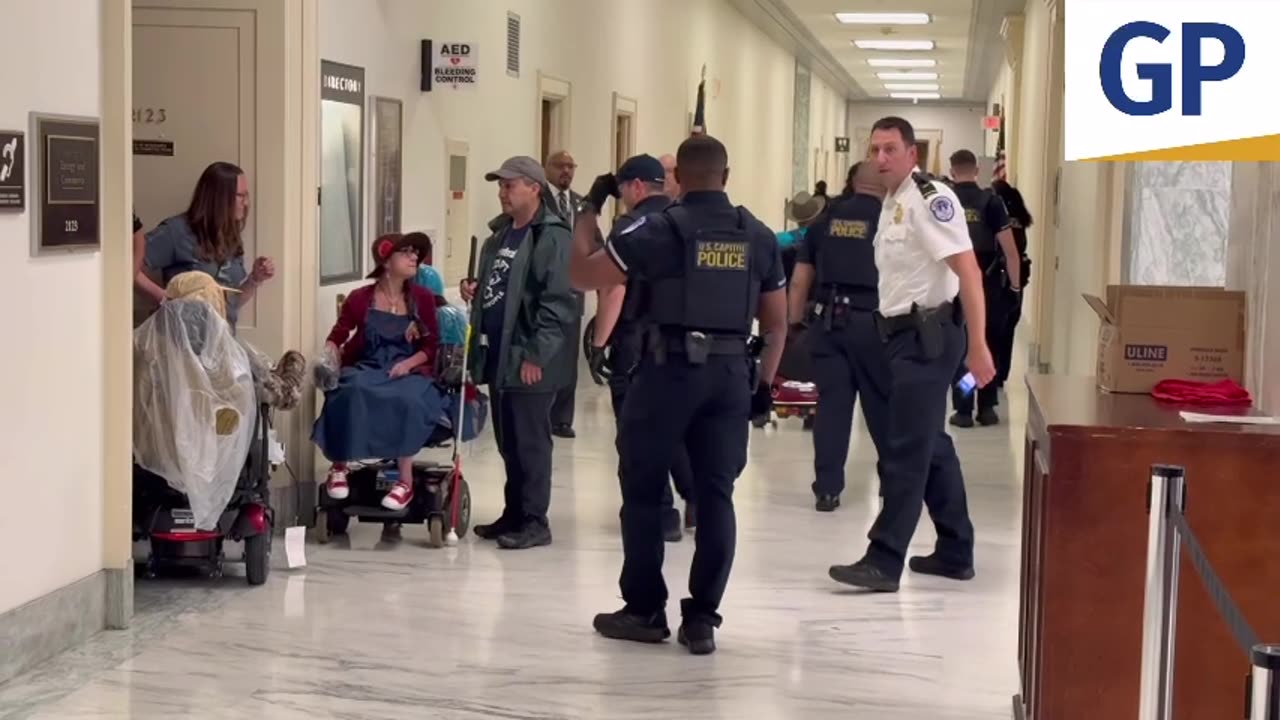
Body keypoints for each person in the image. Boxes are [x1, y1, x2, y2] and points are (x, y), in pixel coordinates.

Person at [569, 135, 788, 655]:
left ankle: (645, 610)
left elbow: (582, 273)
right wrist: (763, 388)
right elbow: (777, 326)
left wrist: (586, 208)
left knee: (643, 492)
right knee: (716, 497)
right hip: (731, 374)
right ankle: (703, 619)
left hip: (665, 373)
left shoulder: (657, 228)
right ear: (726, 176)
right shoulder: (756, 236)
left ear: (677, 181)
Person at [828, 116, 992, 593]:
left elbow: (970, 273)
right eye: (875, 149)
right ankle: (955, 550)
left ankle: (884, 559)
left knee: (905, 450)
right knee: (930, 444)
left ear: (912, 153)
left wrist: (979, 346)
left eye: (890, 150)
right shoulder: (893, 202)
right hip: (899, 337)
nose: (881, 158)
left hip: (929, 336)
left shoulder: (930, 199)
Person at [460, 156, 575, 550]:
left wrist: (536, 355)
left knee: (531, 441)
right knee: (509, 440)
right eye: (501, 185)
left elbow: (558, 302)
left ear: (534, 188)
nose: (502, 192)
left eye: (509, 185)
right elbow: (502, 285)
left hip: (528, 358)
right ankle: (514, 512)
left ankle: (534, 520)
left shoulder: (553, 237)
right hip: (500, 355)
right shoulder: (502, 234)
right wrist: (475, 291)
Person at [587, 154, 695, 541]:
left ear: (635, 187)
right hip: (678, 342)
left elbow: (613, 288)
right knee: (677, 428)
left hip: (636, 342)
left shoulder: (632, 228)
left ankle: (661, 513)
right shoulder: (685, 223)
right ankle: (694, 499)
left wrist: (599, 343)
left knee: (636, 433)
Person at [314, 232, 443, 512]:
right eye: (406, 252)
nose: (414, 258)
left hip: (410, 370)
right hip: (369, 366)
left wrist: (408, 365)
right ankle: (339, 465)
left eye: (415, 253)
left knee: (408, 398)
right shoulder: (361, 299)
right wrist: (327, 358)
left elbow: (432, 345)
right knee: (349, 389)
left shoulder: (422, 298)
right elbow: (337, 336)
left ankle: (405, 482)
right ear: (386, 261)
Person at [787, 161, 889, 512]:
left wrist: (794, 324)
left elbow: (800, 279)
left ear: (852, 184)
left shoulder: (823, 222)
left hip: (830, 324)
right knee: (881, 406)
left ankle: (827, 489)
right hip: (878, 326)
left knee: (832, 408)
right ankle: (891, 482)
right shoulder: (890, 221)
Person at [138, 161, 275, 332]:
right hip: (179, 347)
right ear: (219, 198)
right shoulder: (177, 232)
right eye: (240, 196)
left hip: (220, 347)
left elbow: (229, 304)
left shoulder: (231, 238)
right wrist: (164, 299)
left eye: (246, 196)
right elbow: (128, 265)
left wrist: (255, 279)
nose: (246, 203)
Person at [946, 150, 1022, 427]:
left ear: (952, 171)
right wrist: (1014, 288)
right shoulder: (991, 202)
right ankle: (987, 407)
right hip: (987, 285)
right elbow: (1011, 252)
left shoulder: (943, 201)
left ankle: (964, 409)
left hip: (951, 285)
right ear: (976, 171)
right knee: (988, 343)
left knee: (961, 348)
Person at [545, 150, 584, 439]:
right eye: (561, 166)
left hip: (574, 291)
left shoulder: (581, 205)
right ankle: (542, 413)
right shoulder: (539, 202)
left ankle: (562, 419)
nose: (567, 171)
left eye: (571, 166)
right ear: (548, 168)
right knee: (547, 352)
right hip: (546, 289)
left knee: (569, 357)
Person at [991, 178, 1033, 388]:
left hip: (1000, 276)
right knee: (1009, 327)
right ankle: (1002, 373)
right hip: (1018, 277)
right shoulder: (1020, 219)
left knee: (995, 328)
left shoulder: (1000, 220)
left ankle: (994, 371)